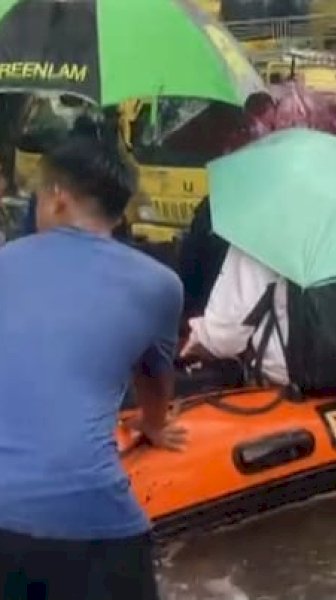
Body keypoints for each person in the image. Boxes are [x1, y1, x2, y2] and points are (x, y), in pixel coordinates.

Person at [0, 136, 186, 599]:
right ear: (120, 213)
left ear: (58, 196)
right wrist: (153, 424)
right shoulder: (160, 284)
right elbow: (154, 377)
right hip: (89, 521)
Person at [181, 245, 290, 386]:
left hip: (279, 384)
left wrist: (199, 340)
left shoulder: (265, 233)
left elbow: (225, 337)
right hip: (326, 387)